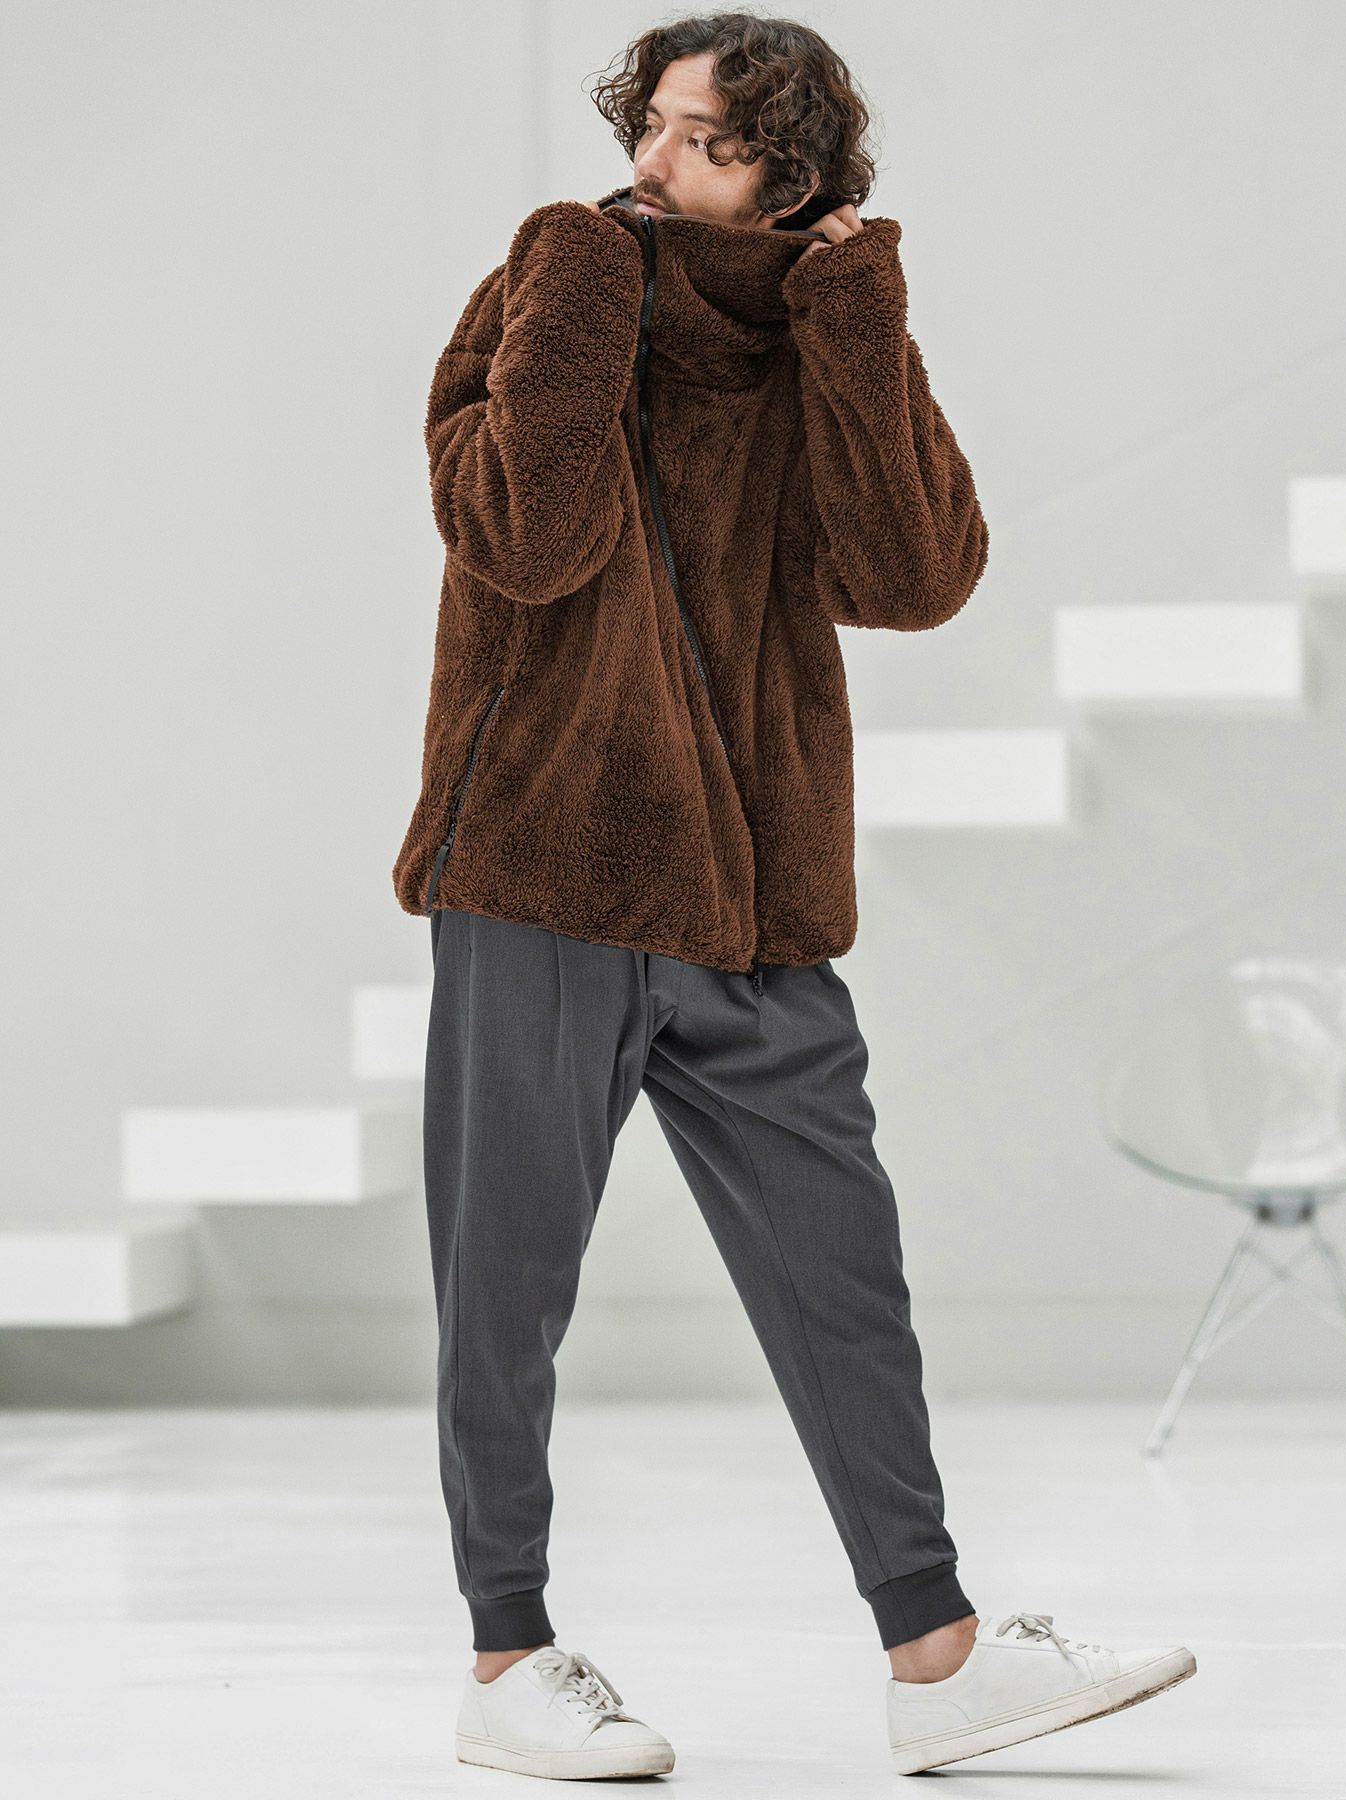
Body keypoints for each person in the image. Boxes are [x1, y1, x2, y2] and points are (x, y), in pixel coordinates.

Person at [393, 12, 1196, 1780]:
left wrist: (854, 310)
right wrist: (582, 279)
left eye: (705, 142)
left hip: (754, 899)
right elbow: (525, 535)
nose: (651, 163)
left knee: (845, 1277)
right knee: (507, 1285)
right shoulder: (549, 284)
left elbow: (918, 573)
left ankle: (939, 1658)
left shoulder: (813, 332)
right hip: (547, 864)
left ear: (793, 179)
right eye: (650, 127)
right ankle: (506, 1658)